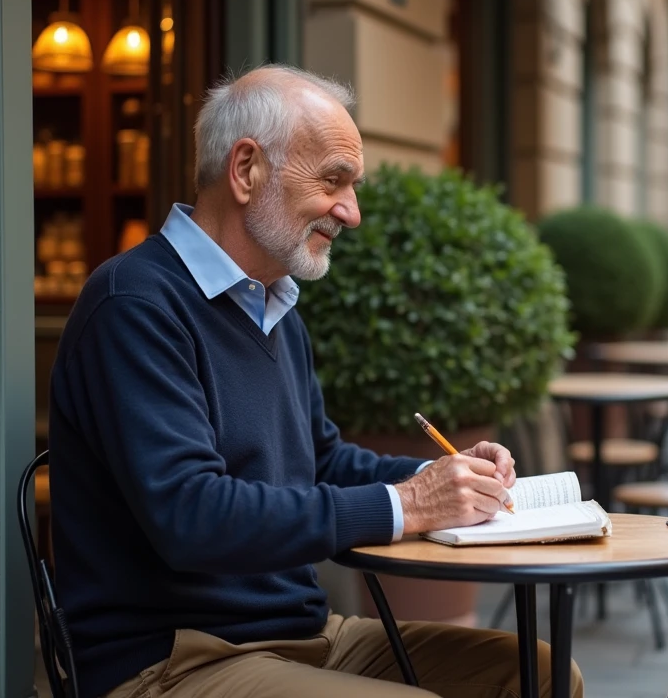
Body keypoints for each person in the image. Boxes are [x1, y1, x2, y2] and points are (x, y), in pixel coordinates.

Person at [47, 64, 584, 698]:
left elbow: (321, 459)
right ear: (246, 170)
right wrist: (410, 507)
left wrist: (443, 479)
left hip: (305, 636)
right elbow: (190, 515)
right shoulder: (133, 304)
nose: (352, 213)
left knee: (539, 674)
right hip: (170, 661)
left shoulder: (272, 307)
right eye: (334, 180)